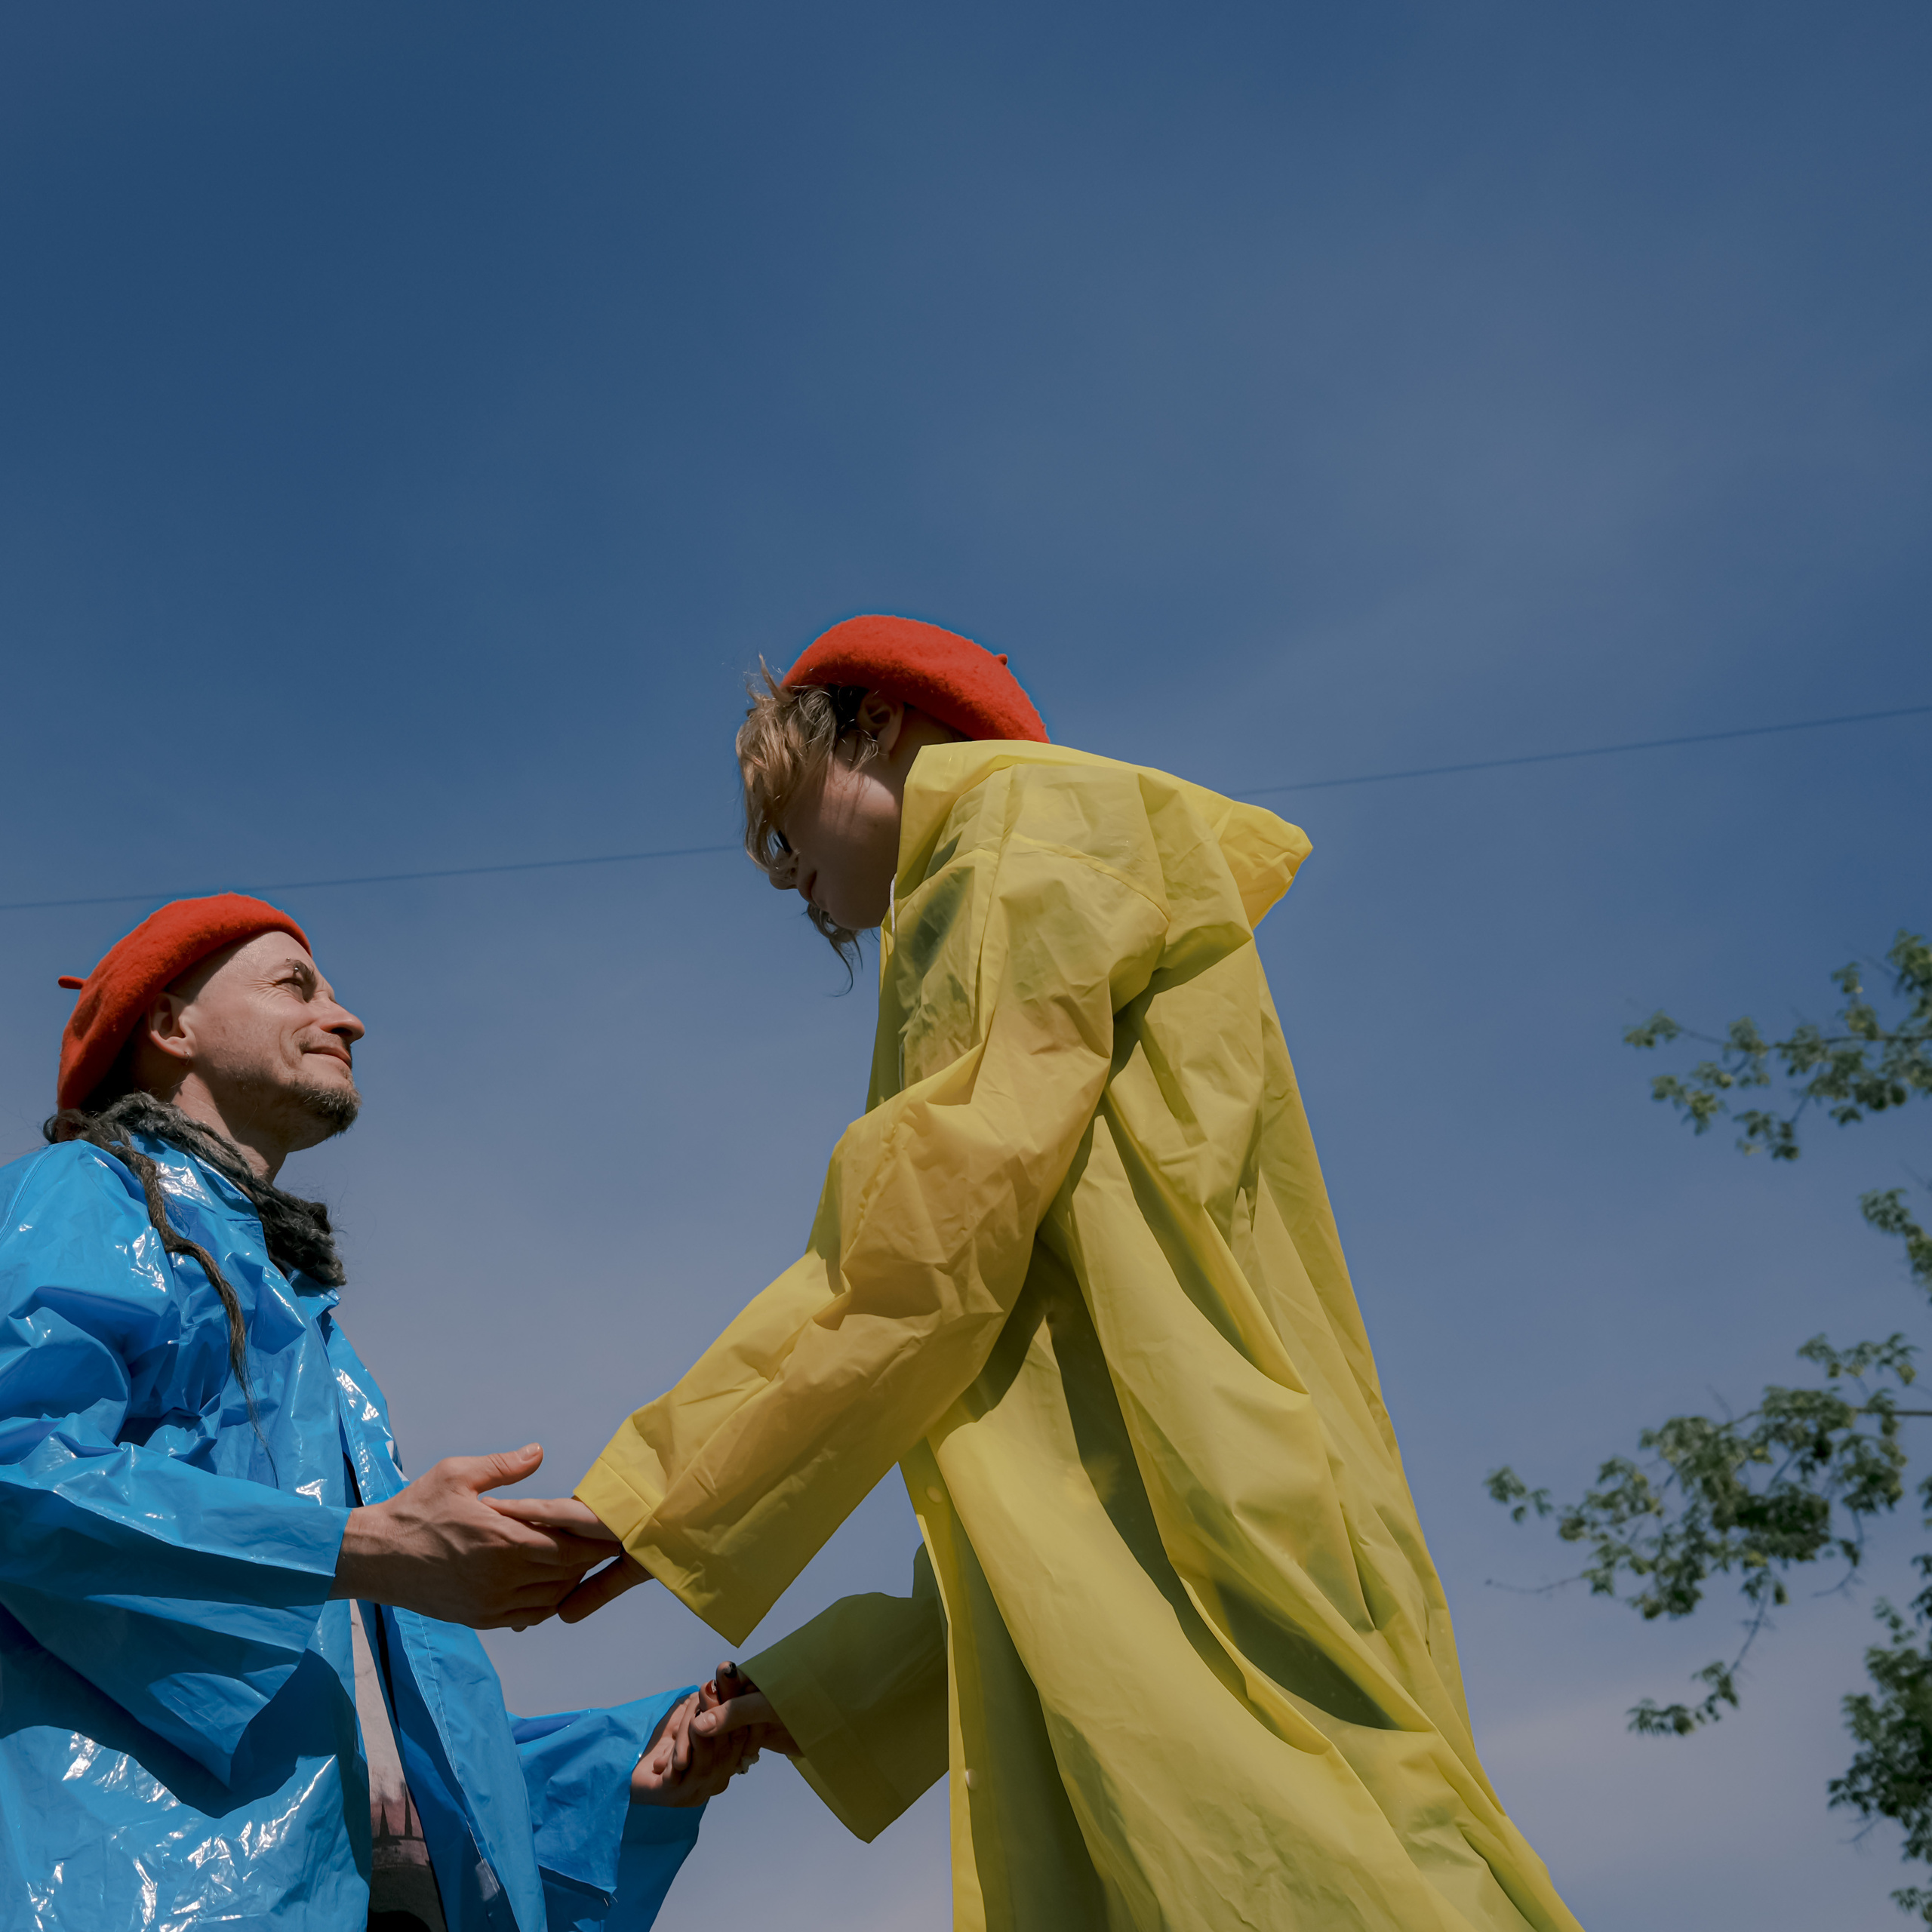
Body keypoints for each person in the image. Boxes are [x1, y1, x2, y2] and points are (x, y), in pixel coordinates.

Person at [507, 615, 1586, 1930]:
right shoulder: (1070, 882)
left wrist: (661, 1492)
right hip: (1223, 1529)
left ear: (877, 726)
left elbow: (929, 1234)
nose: (785, 878)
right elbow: (1068, 1472)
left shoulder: (1011, 840)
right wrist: (820, 1689)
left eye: (781, 826)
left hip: (1210, 1552)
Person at [0, 894, 746, 1932]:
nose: (346, 1019)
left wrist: (624, 1770)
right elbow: (17, 1473)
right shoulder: (86, 1195)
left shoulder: (307, 1323)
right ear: (170, 1025)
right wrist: (359, 1546)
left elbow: (373, 1742)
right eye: (295, 986)